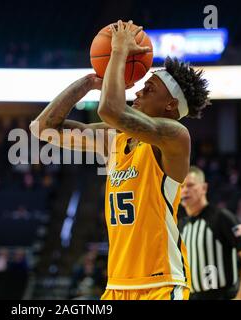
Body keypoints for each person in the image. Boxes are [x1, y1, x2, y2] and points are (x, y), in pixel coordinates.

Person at [30, 20, 210, 300]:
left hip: (161, 283)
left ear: (170, 105)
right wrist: (88, 82)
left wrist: (118, 51)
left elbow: (110, 110)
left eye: (148, 88)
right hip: (117, 286)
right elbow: (43, 129)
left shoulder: (176, 136)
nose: (138, 91)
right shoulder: (115, 138)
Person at [179, 166, 241, 300]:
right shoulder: (182, 224)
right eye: (181, 187)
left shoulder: (222, 217)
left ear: (204, 188)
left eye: (190, 185)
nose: (185, 190)